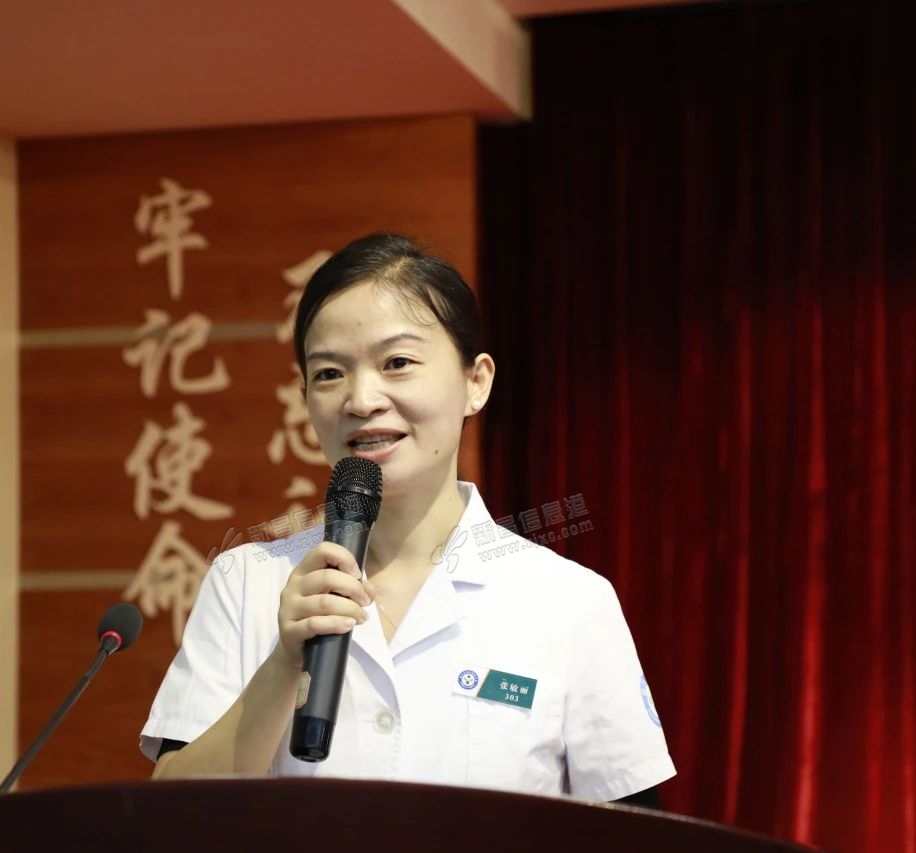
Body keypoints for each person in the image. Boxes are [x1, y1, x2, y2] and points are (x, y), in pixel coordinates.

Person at [140, 233, 675, 805]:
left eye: (397, 363)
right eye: (329, 373)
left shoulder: (569, 601)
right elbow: (173, 815)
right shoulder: (246, 580)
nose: (361, 399)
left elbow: (633, 829)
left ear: (476, 382)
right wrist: (284, 662)